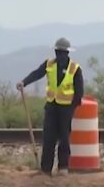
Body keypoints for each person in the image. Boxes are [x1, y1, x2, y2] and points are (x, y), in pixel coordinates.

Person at [17, 38, 84, 176]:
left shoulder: (75, 68)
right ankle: (46, 169)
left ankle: (63, 167)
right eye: (58, 52)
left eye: (62, 52)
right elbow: (37, 73)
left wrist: (72, 107)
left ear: (67, 53)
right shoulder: (49, 64)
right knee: (49, 138)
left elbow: (79, 92)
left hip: (66, 108)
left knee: (64, 138)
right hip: (51, 107)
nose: (59, 55)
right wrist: (24, 82)